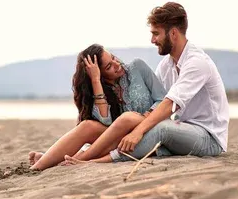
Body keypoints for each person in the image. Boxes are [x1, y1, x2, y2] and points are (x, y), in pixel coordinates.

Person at [65, 2, 229, 164]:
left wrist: (138, 131)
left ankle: (94, 161)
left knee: (160, 129)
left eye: (156, 34)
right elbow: (155, 103)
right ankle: (60, 158)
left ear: (173, 34)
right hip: (181, 129)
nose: (152, 40)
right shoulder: (166, 65)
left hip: (208, 137)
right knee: (145, 128)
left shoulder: (196, 62)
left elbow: (169, 104)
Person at [28, 43, 166, 170]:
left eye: (113, 58)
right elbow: (106, 123)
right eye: (108, 67)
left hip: (149, 126)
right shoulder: (102, 88)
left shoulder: (138, 67)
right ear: (100, 75)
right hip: (123, 137)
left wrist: (146, 116)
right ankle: (38, 168)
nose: (117, 64)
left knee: (126, 118)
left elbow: (163, 99)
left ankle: (77, 159)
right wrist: (96, 81)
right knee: (87, 126)